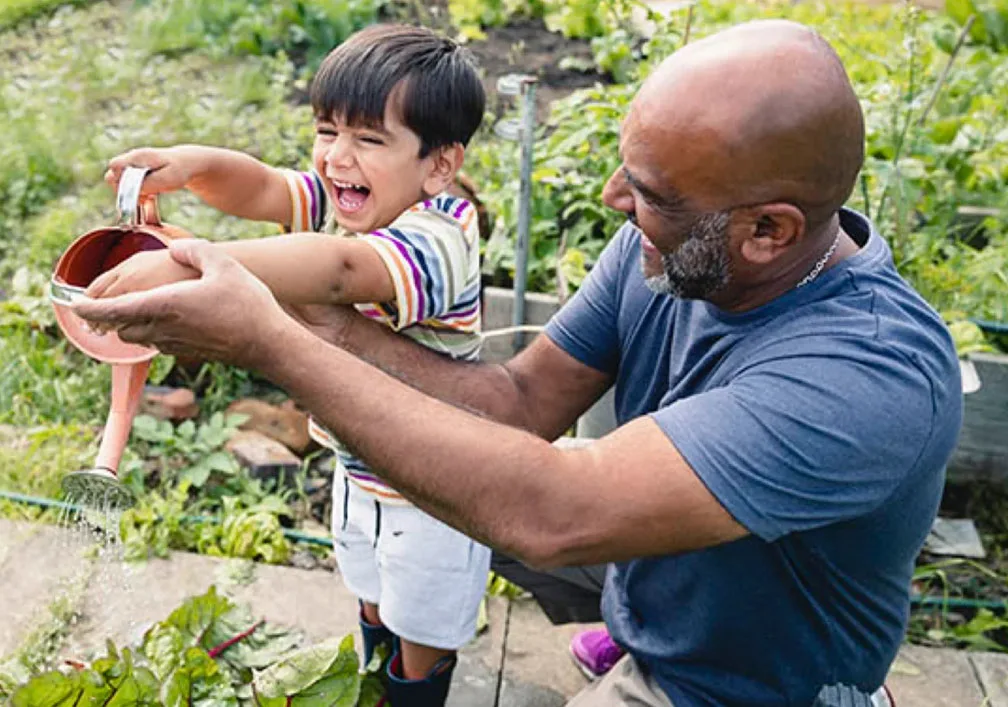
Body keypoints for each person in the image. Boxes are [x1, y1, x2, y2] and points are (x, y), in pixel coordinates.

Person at [76, 19, 963, 707]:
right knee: (480, 497)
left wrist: (266, 334)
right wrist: (284, 305)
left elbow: (553, 513)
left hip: (739, 688)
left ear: (768, 230)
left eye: (650, 195)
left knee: (513, 507)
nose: (616, 203)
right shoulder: (667, 250)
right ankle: (636, 620)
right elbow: (515, 405)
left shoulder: (867, 372)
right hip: (642, 555)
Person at [89, 24, 489, 707]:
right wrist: (188, 164)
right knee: (369, 599)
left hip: (434, 491)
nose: (337, 157)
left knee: (420, 635)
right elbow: (268, 188)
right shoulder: (354, 202)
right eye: (327, 130)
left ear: (439, 165)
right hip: (358, 469)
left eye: (368, 139)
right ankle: (371, 686)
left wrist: (195, 263)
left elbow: (339, 272)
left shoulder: (439, 236)